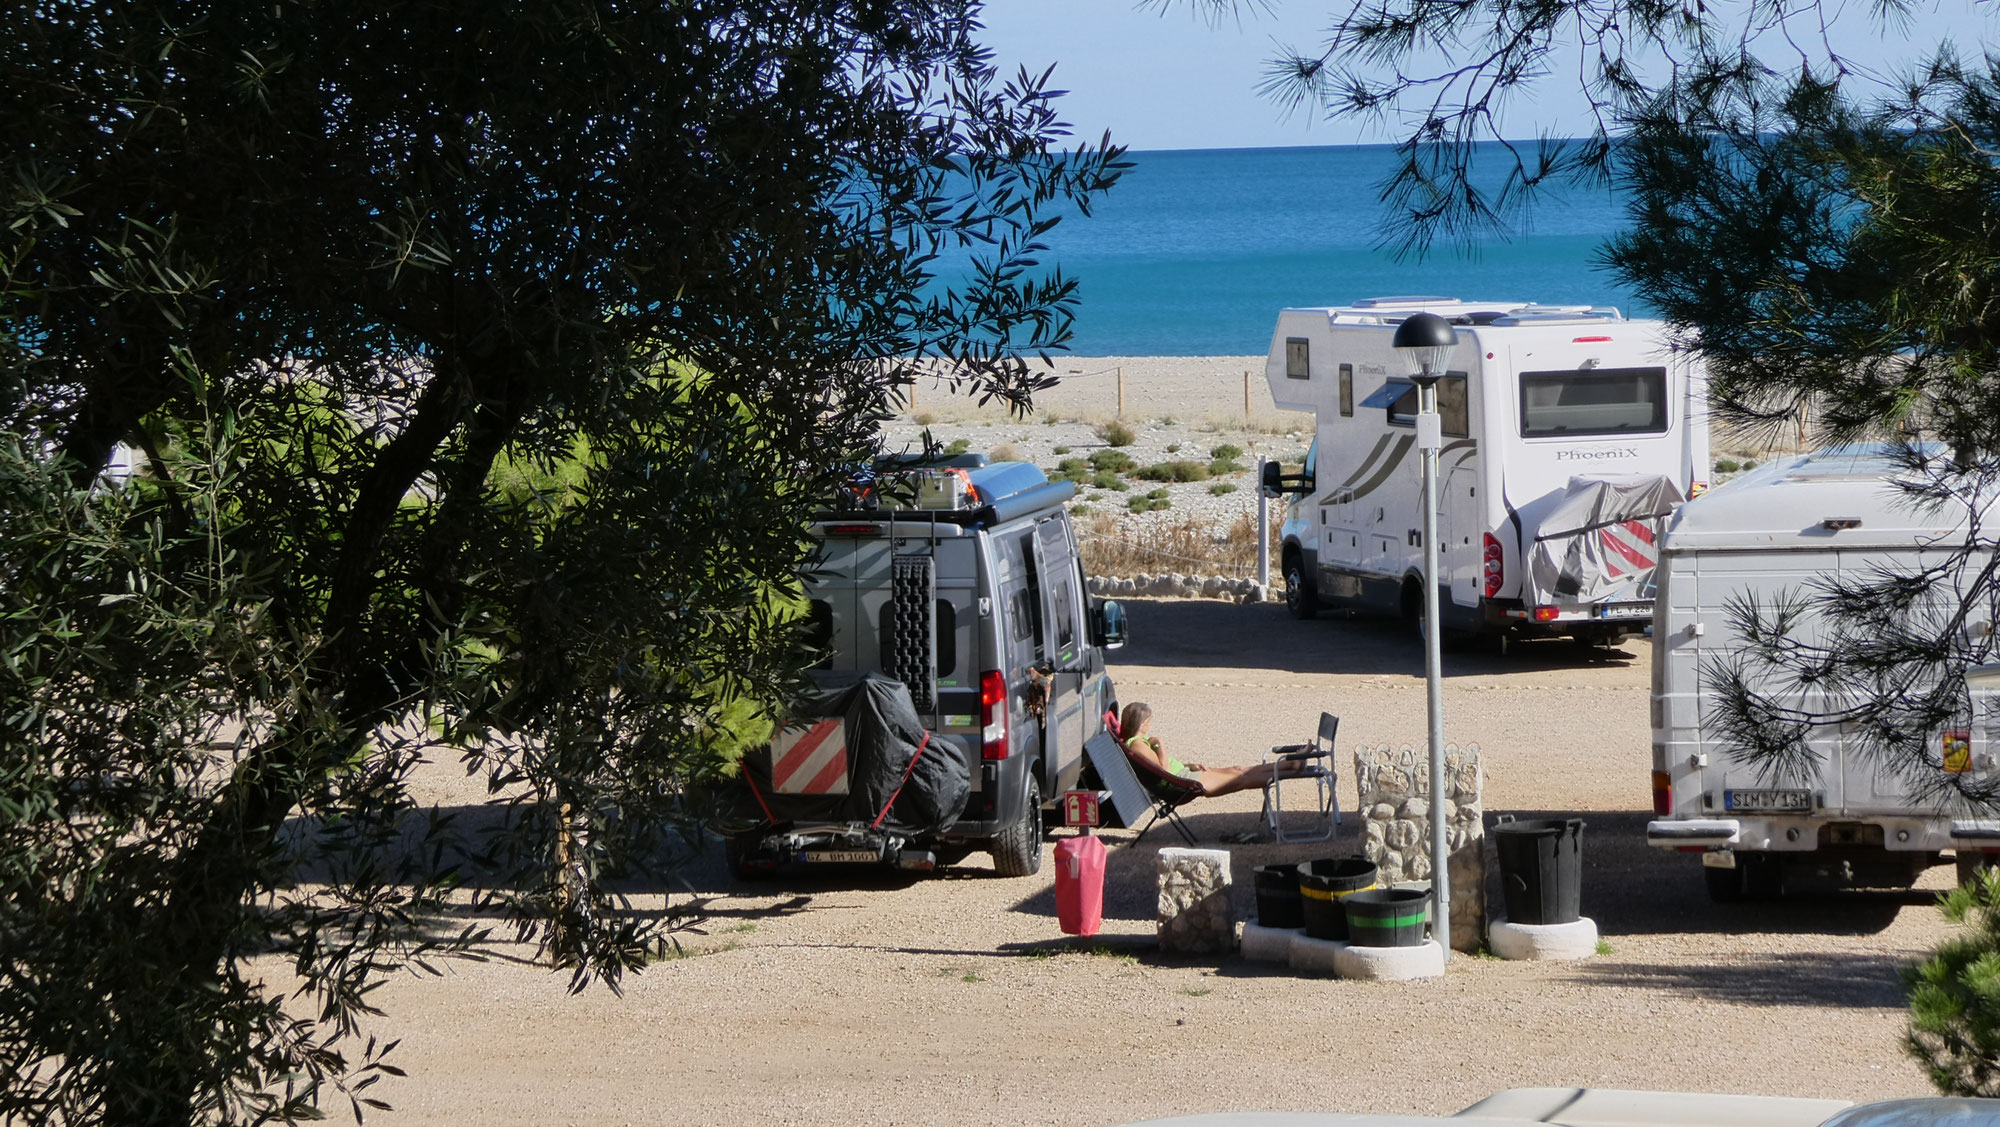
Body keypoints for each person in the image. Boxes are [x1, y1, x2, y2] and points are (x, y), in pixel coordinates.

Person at [1117, 701, 1305, 797]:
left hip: (1184, 773)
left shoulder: (1139, 742)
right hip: (1182, 781)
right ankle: (1291, 767)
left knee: (1238, 770)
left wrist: (1189, 765)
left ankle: (1290, 765)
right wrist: (1161, 745)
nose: (1150, 726)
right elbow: (1162, 770)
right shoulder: (1137, 744)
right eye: (1149, 722)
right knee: (1242, 778)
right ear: (1142, 724)